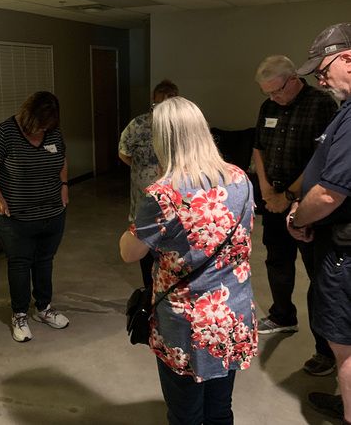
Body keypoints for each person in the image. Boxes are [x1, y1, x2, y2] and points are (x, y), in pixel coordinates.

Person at [120, 96, 257, 425]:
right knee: (220, 408)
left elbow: (130, 253)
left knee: (186, 413)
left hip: (186, 322)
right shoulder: (239, 177)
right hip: (232, 312)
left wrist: (136, 223)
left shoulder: (163, 194)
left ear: (162, 140)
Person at [252, 55, 338, 374]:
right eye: (267, 93)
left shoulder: (321, 104)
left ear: (293, 80)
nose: (273, 98)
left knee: (318, 275)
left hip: (307, 204)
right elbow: (258, 148)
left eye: (277, 91)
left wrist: (289, 196)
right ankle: (282, 316)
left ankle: (325, 350)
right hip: (273, 200)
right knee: (277, 260)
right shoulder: (269, 106)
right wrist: (266, 190)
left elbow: (322, 158)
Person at [289, 22, 351, 425]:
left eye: (322, 71)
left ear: (349, 59)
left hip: (345, 251)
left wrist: (298, 217)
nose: (321, 80)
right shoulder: (345, 110)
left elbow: (330, 193)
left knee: (345, 348)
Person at [0, 91, 69, 343]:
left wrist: (64, 185)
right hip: (15, 217)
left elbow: (61, 159)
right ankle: (19, 314)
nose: (41, 131)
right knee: (19, 264)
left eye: (45, 127)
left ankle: (43, 308)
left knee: (45, 260)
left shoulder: (54, 132)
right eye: (38, 126)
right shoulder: (6, 131)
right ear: (28, 116)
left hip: (52, 213)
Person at [119, 79, 179, 287]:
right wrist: (142, 170)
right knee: (144, 241)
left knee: (170, 244)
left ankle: (167, 287)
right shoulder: (139, 125)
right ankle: (149, 289)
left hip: (173, 195)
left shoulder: (180, 127)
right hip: (144, 194)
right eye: (158, 105)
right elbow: (124, 152)